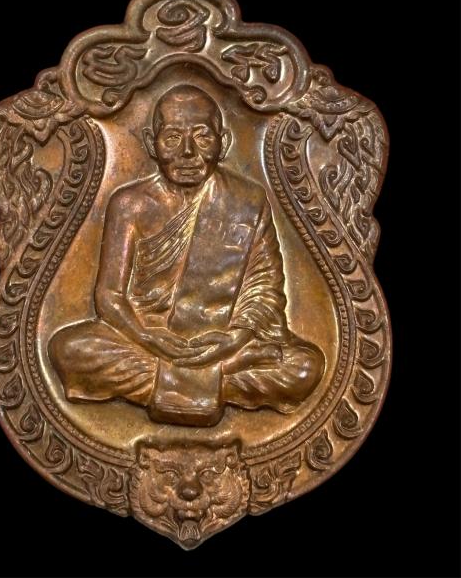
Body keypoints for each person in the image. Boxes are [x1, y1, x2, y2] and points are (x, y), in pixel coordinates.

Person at [49, 84, 324, 426]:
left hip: (222, 341)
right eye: (172, 138)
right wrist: (148, 337)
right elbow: (109, 296)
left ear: (224, 142)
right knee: (69, 349)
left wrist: (234, 339)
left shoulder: (248, 200)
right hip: (145, 338)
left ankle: (187, 378)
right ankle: (219, 379)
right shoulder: (130, 204)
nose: (188, 152)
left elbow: (264, 289)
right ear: (151, 143)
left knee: (304, 367)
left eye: (203, 137)